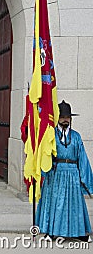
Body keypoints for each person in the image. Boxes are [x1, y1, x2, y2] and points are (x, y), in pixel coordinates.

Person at [35, 100, 93, 242]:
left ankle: (79, 232)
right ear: (57, 118)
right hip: (55, 173)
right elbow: (44, 154)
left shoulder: (76, 136)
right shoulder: (51, 135)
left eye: (68, 117)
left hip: (73, 173)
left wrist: (86, 180)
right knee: (54, 202)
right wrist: (43, 173)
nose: (65, 119)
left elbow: (83, 159)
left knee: (75, 203)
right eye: (62, 117)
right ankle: (50, 231)